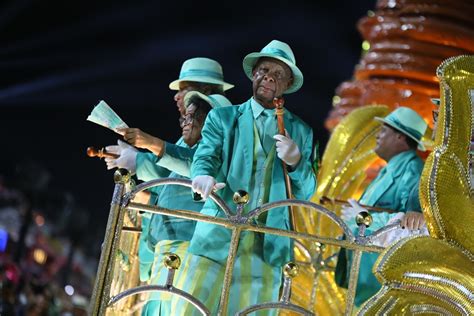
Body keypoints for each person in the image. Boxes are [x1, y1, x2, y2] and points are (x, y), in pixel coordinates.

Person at [186, 40, 317, 315]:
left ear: (288, 83)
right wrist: (203, 175)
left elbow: (306, 192)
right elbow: (206, 154)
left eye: (278, 74)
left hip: (268, 245)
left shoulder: (301, 132)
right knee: (193, 308)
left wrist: (296, 163)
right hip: (217, 234)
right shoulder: (223, 118)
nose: (269, 77)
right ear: (253, 74)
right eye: (264, 70)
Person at [103, 57, 234, 284]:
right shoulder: (192, 133)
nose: (176, 96)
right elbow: (171, 174)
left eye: (184, 90)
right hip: (167, 241)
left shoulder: (217, 124)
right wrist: (138, 162)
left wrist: (146, 148)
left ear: (204, 90)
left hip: (185, 242)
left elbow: (193, 164)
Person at [336, 106, 428, 307]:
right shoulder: (389, 170)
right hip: (365, 279)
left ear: (400, 138)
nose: (378, 135)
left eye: (384, 130)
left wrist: (363, 217)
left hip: (380, 282)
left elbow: (409, 226)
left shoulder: (412, 170)